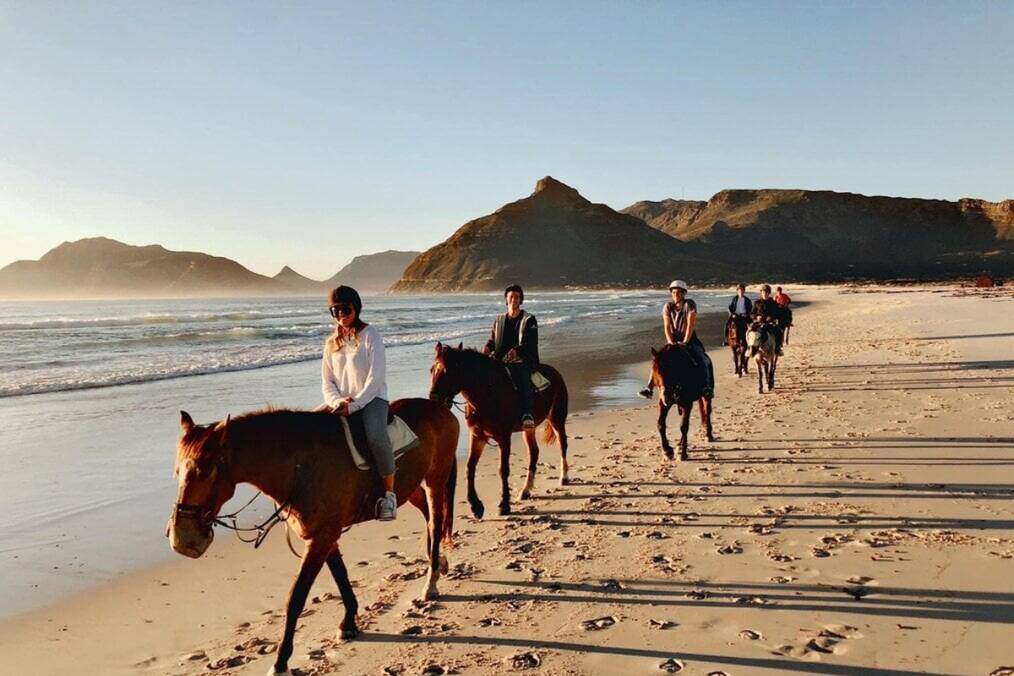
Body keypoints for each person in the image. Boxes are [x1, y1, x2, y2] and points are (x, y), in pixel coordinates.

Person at [321, 286, 398, 521]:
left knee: (375, 436)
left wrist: (354, 405)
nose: (341, 314)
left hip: (372, 399)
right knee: (309, 428)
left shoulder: (371, 335)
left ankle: (389, 495)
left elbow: (377, 378)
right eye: (335, 311)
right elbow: (327, 381)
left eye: (345, 309)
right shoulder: (331, 342)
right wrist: (337, 401)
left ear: (356, 308)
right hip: (340, 401)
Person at [639, 280, 715, 399]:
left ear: (684, 293)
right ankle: (649, 388)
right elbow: (667, 326)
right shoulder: (667, 306)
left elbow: (690, 325)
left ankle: (706, 387)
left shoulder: (689, 304)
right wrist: (670, 342)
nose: (676, 294)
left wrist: (685, 342)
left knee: (701, 357)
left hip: (689, 339)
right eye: (673, 292)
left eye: (679, 292)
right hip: (673, 341)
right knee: (658, 360)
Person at [484, 284, 539, 430]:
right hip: (501, 359)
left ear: (521, 300)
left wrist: (517, 350)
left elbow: (530, 343)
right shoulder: (499, 320)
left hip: (524, 359)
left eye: (517, 297)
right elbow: (492, 340)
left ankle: (527, 413)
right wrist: (487, 348)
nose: (514, 300)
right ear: (506, 300)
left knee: (521, 375)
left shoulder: (529, 320)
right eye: (511, 297)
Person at [752, 284, 785, 356]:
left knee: (778, 331)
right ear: (761, 293)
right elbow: (752, 314)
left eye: (767, 292)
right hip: (759, 323)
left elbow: (777, 313)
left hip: (769, 323)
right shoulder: (756, 303)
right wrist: (756, 317)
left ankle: (777, 348)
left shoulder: (773, 303)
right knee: (750, 332)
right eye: (763, 292)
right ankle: (751, 348)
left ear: (769, 293)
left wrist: (771, 317)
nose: (765, 294)